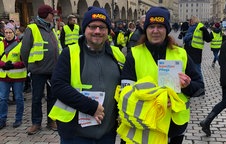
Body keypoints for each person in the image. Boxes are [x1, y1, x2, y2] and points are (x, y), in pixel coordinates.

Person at [119, 7, 204, 144]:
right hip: (144, 126)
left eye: (160, 26)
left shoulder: (180, 54)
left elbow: (199, 87)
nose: (155, 31)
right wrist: (156, 103)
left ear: (167, 29)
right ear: (145, 29)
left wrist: (187, 86)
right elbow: (126, 94)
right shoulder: (134, 55)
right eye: (151, 26)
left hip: (174, 127)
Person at [48, 6, 125, 143]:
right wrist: (91, 107)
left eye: (102, 27)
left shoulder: (117, 55)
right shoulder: (69, 53)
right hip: (76, 135)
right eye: (93, 26)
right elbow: (58, 86)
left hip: (107, 133)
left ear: (108, 31)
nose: (97, 31)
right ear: (85, 29)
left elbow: (127, 86)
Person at [20, 4, 60, 135]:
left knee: (53, 97)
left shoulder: (51, 28)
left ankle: (51, 120)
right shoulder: (32, 28)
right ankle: (36, 123)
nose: (53, 15)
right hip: (38, 70)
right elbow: (24, 50)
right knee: (37, 98)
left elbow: (57, 47)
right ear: (46, 15)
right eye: (52, 14)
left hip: (53, 70)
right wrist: (29, 66)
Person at [0, 23, 26, 129]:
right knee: (3, 98)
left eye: (10, 32)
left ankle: (18, 119)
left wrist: (13, 65)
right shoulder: (0, 44)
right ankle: (2, 119)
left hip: (17, 76)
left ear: (14, 32)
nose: (8, 34)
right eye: (6, 32)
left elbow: (24, 61)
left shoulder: (20, 44)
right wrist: (3, 65)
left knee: (19, 98)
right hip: (3, 75)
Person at [183, 16, 211, 81]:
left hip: (193, 51)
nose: (189, 22)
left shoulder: (196, 28)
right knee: (194, 69)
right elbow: (208, 39)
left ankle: (199, 84)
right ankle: (196, 84)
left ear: (193, 21)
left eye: (190, 21)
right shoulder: (196, 27)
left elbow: (186, 39)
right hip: (194, 51)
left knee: (195, 69)